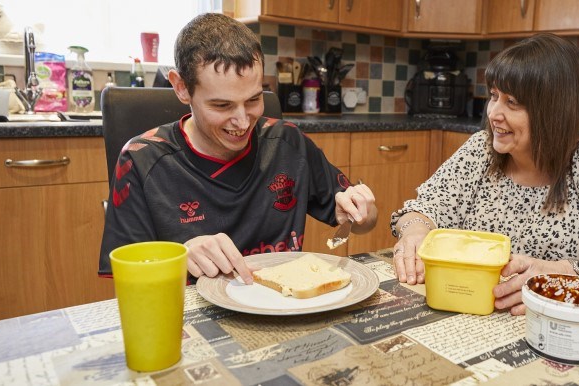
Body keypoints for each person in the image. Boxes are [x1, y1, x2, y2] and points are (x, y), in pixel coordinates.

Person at [390, 34, 579, 314]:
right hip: (479, 315)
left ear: (554, 110)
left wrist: (557, 274)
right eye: (494, 96)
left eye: (513, 102)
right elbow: (422, 210)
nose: (494, 113)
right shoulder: (480, 150)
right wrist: (415, 233)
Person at [99, 13, 377, 283]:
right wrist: (179, 257)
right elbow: (129, 277)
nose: (243, 121)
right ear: (182, 88)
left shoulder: (288, 142)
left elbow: (363, 222)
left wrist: (362, 212)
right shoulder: (141, 159)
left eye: (254, 99)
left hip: (279, 308)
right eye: (222, 105)